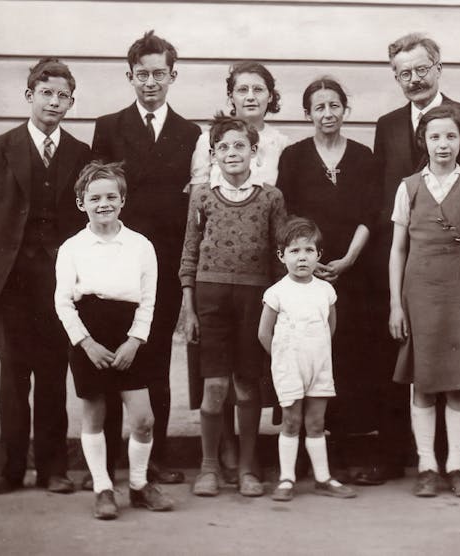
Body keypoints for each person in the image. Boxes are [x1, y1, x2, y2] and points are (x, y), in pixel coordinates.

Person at [356, 32, 460, 486]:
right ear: (395, 77)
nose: (414, 79)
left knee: (455, 367)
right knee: (408, 366)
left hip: (457, 268)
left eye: (421, 69)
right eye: (404, 73)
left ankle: (454, 461)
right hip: (409, 267)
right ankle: (406, 457)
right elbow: (386, 197)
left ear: (439, 67)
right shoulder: (386, 124)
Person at [0, 58, 92, 495]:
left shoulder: (81, 153)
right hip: (12, 282)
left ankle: (52, 469)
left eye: (63, 96)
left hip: (59, 283)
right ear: (29, 96)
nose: (54, 102)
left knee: (53, 373)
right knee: (13, 375)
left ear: (71, 103)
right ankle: (8, 470)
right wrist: (2, 262)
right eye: (46, 93)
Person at [90, 30, 201, 488]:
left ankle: (153, 458)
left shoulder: (190, 132)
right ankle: (111, 458)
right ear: (130, 77)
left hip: (165, 265)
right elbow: (96, 194)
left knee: (154, 358)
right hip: (115, 262)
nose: (150, 82)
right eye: (142, 75)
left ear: (172, 76)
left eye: (159, 74)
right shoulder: (109, 126)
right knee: (114, 354)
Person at [388, 105, 460, 497]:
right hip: (420, 292)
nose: (443, 144)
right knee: (422, 382)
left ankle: (456, 463)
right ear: (423, 140)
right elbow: (398, 249)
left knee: (459, 382)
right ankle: (427, 464)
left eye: (451, 136)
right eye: (435, 136)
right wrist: (395, 304)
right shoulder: (408, 187)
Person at [186, 61, 289, 485]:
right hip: (210, 297)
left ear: (255, 152)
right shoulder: (203, 196)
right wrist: (188, 307)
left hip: (255, 297)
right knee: (213, 387)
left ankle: (248, 466)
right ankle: (210, 465)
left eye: (240, 148)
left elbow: (280, 249)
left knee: (248, 386)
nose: (232, 154)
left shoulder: (271, 196)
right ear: (214, 154)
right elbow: (188, 252)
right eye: (224, 148)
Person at [54, 161, 173, 519]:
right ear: (81, 203)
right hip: (89, 337)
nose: (103, 203)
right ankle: (103, 488)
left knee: (143, 419)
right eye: (94, 197)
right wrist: (85, 343)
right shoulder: (72, 248)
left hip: (128, 338)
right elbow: (62, 301)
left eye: (111, 196)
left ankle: (138, 485)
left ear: (123, 201)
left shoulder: (140, 246)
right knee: (94, 415)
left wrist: (135, 340)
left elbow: (150, 298)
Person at [276, 77, 377, 480]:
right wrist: (310, 263)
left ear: (344, 109)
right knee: (308, 355)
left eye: (334, 105)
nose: (327, 113)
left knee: (350, 359)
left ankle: (350, 451)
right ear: (308, 114)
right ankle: (303, 453)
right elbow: (287, 216)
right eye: (319, 107)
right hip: (307, 273)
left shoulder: (365, 157)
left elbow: (371, 214)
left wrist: (349, 258)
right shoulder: (294, 157)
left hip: (355, 273)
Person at [258, 217, 357, 501]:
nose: (302, 257)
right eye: (294, 251)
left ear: (319, 255)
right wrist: (283, 358)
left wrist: (317, 352)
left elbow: (330, 326)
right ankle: (286, 478)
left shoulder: (326, 290)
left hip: (319, 364)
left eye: (309, 250)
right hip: (289, 365)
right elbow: (265, 334)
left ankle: (323, 477)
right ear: (281, 256)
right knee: (291, 421)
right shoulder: (277, 292)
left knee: (315, 422)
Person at [189, 61, 289, 187]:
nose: (251, 97)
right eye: (243, 90)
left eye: (258, 89)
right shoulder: (208, 139)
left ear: (270, 96)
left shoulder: (281, 143)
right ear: (231, 97)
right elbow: (197, 193)